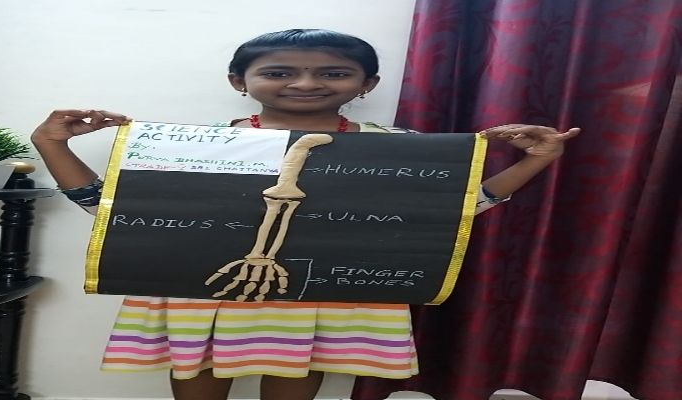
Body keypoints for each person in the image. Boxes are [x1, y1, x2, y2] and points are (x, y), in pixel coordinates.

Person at [31, 29, 579, 400]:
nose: (306, 83)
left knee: (297, 369)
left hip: (328, 288)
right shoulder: (187, 146)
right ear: (239, 81)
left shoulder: (401, 148)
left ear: (367, 85)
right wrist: (51, 143)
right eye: (279, 71)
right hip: (200, 287)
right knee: (197, 369)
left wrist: (535, 161)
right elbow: (109, 210)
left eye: (334, 73)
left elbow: (453, 214)